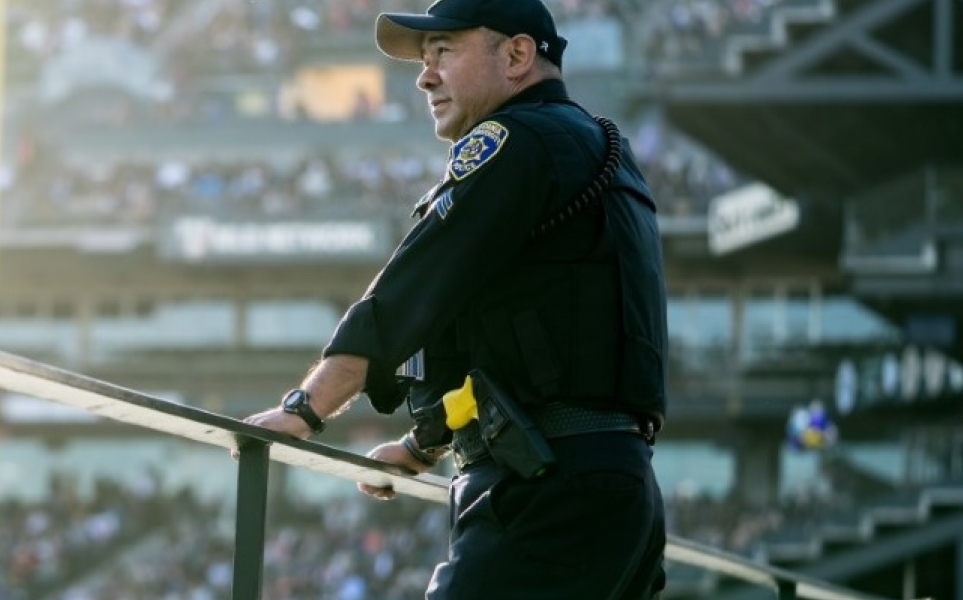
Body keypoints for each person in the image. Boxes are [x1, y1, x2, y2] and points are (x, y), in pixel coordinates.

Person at [240, 0, 671, 597]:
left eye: (444, 51)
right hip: (614, 494)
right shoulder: (592, 145)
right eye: (424, 58)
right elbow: (534, 348)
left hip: (548, 494)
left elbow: (412, 288)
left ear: (518, 55)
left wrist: (304, 408)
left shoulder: (515, 142)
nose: (425, 75)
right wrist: (423, 444)